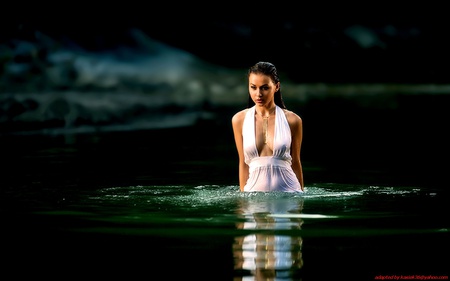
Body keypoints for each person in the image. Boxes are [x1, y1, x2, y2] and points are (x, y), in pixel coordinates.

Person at [231, 61, 304, 192]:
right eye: (253, 87)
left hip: (289, 194)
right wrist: (243, 201)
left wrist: (300, 205)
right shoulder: (239, 120)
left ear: (276, 87)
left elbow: (296, 163)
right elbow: (243, 163)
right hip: (253, 197)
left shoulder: (293, 120)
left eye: (265, 88)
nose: (258, 94)